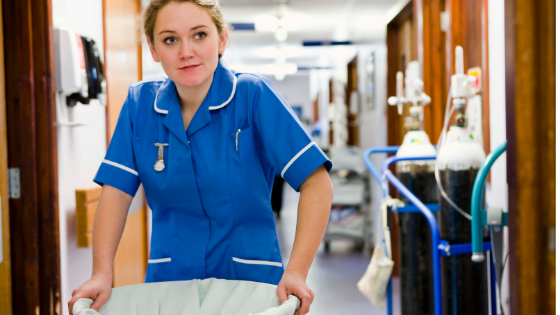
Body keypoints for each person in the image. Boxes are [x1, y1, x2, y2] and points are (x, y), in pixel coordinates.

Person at [68, 1, 333, 315]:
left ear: (221, 40)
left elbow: (317, 183)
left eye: (199, 35)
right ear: (152, 49)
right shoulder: (140, 106)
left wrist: (297, 271)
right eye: (170, 40)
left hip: (251, 282)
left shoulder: (252, 96)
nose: (186, 52)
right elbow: (116, 191)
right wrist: (102, 272)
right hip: (171, 283)